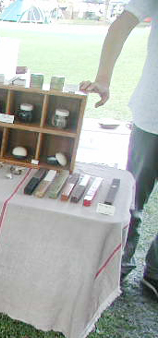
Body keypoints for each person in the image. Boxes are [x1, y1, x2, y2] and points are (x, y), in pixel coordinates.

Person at [80, 0, 157, 297]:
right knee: (132, 198)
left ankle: (155, 272)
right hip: (153, 116)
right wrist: (103, 78)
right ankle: (118, 266)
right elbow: (123, 23)